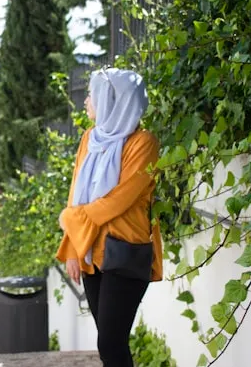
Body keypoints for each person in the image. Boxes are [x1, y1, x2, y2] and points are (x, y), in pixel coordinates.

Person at [57, 67, 162, 367]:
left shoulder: (144, 143)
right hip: (92, 253)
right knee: (109, 343)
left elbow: (119, 201)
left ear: (113, 100)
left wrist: (71, 219)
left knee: (110, 342)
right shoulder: (89, 138)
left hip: (126, 250)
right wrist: (74, 247)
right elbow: (77, 191)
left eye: (93, 95)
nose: (86, 101)